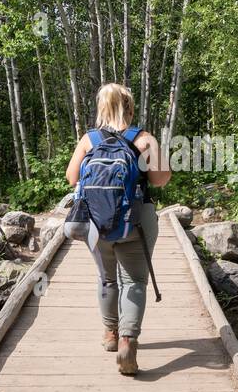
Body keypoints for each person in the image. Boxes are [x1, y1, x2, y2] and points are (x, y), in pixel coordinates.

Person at [66, 83, 171, 375]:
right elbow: (161, 179)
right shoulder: (144, 139)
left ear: (102, 107)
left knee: (106, 278)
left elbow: (72, 178)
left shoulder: (89, 139)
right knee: (134, 282)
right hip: (136, 220)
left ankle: (110, 334)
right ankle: (128, 340)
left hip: (96, 224)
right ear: (130, 107)